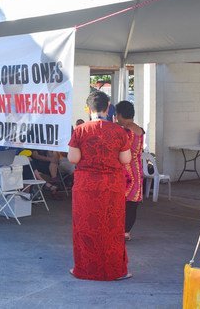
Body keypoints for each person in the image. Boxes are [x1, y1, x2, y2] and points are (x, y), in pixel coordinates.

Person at [68, 91, 132, 281]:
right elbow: (125, 159)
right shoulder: (119, 131)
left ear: (88, 109)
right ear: (108, 107)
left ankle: (85, 269)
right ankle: (114, 270)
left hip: (86, 187)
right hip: (112, 187)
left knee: (85, 227)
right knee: (112, 228)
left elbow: (73, 159)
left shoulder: (80, 130)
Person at [116, 100, 145, 241]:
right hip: (137, 170)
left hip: (124, 172)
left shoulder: (125, 131)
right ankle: (126, 232)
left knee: (119, 203)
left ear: (120, 114)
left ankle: (119, 231)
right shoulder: (139, 129)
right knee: (132, 204)